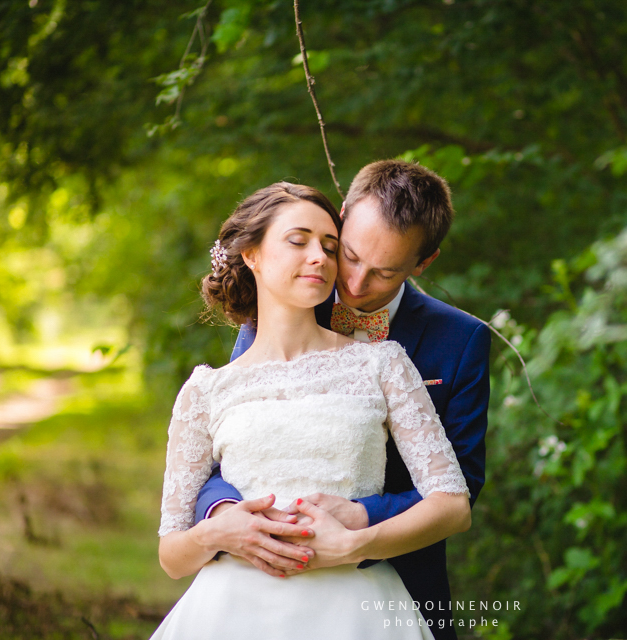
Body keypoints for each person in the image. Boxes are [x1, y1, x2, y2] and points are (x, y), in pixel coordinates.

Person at [152, 181, 471, 639]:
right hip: (232, 613)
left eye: (330, 245)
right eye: (298, 241)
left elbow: (454, 506)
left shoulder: (382, 363)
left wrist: (354, 544)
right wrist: (216, 533)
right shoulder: (206, 390)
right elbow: (171, 556)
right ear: (252, 255)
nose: (320, 257)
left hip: (355, 612)